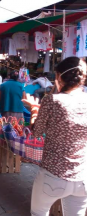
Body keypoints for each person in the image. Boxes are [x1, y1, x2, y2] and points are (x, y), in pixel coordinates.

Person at [23, 57, 87, 216]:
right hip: (82, 178)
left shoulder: (52, 100)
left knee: (38, 213)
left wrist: (34, 110)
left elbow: (36, 132)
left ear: (59, 76)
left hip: (53, 175)